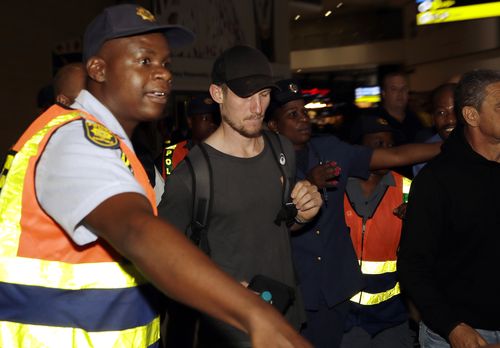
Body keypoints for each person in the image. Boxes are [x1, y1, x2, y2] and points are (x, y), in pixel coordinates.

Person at [0, 5, 312, 348]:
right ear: (98, 69)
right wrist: (251, 312)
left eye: (165, 63)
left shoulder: (113, 145)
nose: (163, 74)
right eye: (145, 61)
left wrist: (217, 285)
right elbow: (137, 231)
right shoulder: (76, 140)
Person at [158, 45, 322, 347]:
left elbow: (279, 226)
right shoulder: (191, 177)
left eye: (264, 94)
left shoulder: (281, 150)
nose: (257, 108)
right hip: (229, 332)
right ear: (217, 94)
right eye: (245, 96)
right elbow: (164, 265)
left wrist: (302, 214)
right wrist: (224, 292)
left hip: (286, 319)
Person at [266, 78, 442, 348]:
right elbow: (267, 225)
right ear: (273, 125)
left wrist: (453, 145)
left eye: (304, 111)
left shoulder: (331, 150)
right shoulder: (261, 165)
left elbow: (395, 157)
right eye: (293, 114)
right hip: (291, 292)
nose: (303, 119)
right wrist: (308, 186)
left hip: (334, 295)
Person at [398, 69, 500, 348]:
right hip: (458, 331)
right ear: (471, 115)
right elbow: (412, 264)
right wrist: (453, 328)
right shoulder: (436, 180)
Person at [340, 115, 413, 348]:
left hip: (391, 319)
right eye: (378, 144)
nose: (387, 151)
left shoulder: (408, 190)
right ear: (358, 149)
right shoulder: (332, 189)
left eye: (390, 145)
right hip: (342, 320)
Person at [161, 92, 218, 178]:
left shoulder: (229, 151)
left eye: (215, 118)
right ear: (190, 122)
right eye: (205, 118)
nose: (212, 123)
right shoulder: (173, 153)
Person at [413, 83, 457, 176]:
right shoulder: (423, 159)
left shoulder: (487, 146)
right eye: (441, 112)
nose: (450, 119)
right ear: (433, 118)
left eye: (456, 110)